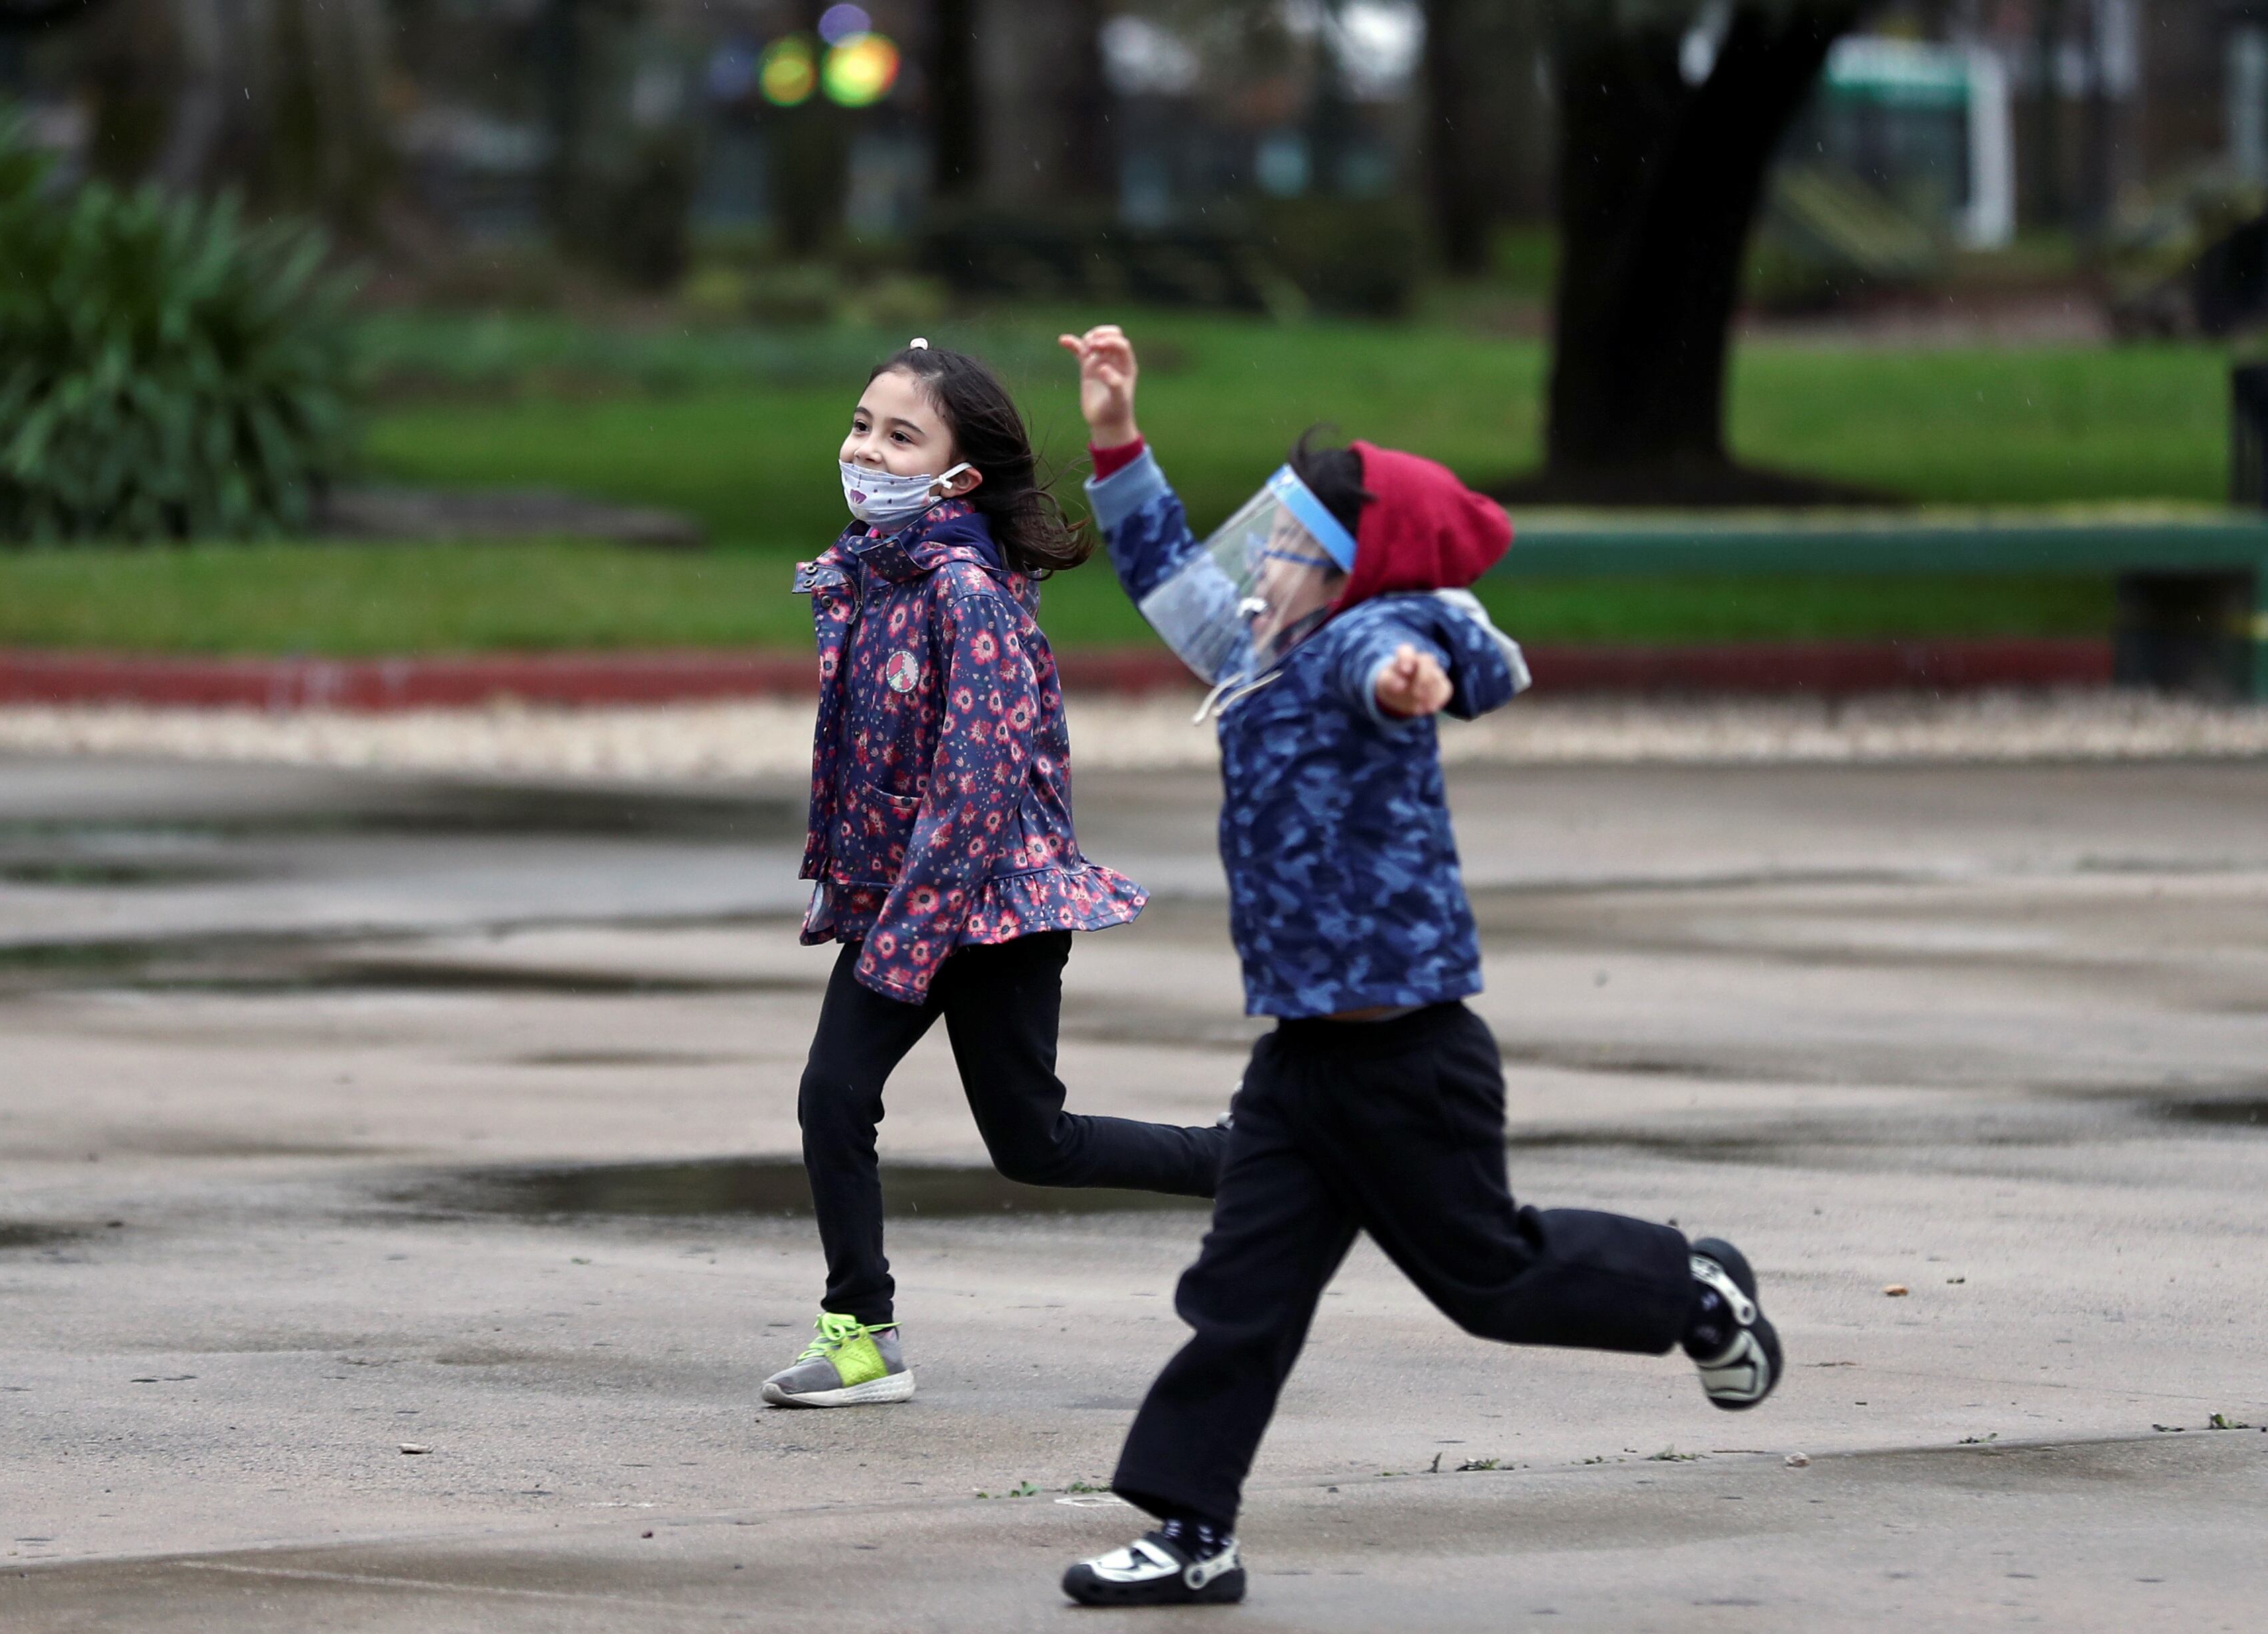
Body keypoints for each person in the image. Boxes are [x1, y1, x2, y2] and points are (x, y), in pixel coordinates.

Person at [1051, 324, 1783, 1606]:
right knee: (1242, 1295)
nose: (1268, 565)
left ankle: (1692, 1286)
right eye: (1270, 540)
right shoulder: (1254, 649)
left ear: (1358, 572)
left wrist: (1409, 674)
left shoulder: (1356, 643)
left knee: (1489, 1280)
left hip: (1408, 1057)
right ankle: (1188, 1530)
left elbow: (1422, 656)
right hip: (1300, 1059)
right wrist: (1116, 433)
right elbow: (1165, 565)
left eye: (1295, 551)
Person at [761, 341, 1229, 1410]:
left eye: (898, 434)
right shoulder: (876, 571)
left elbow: (971, 802)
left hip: (992, 914)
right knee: (833, 1097)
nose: (864, 448)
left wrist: (898, 948)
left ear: (958, 476)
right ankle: (861, 1335)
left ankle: (1249, 1161)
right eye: (861, 422)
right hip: (907, 909)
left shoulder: (965, 593)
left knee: (1034, 1142)